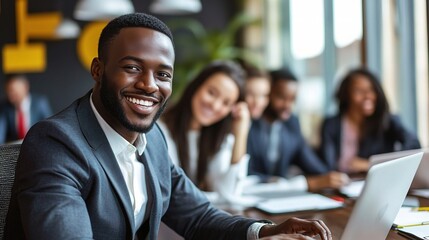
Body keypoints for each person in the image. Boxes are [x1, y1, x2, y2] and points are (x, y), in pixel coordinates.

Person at [4, 13, 332, 240]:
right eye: (132, 67)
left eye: (163, 74)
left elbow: (199, 217)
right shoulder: (56, 143)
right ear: (98, 70)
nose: (149, 85)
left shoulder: (154, 139)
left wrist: (267, 231)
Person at [158, 60, 250, 200]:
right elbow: (171, 193)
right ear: (196, 86)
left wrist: (241, 134)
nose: (215, 105)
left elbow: (229, 194)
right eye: (212, 93)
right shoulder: (160, 129)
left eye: (226, 103)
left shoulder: (219, 138)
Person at [247, 67, 349, 192]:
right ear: (268, 93)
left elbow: (307, 159)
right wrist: (309, 183)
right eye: (281, 98)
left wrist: (330, 177)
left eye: (292, 99)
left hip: (280, 198)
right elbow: (248, 174)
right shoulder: (248, 122)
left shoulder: (292, 123)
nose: (288, 105)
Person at [319, 67, 421, 173]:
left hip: (374, 181)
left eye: (371, 90)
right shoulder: (331, 125)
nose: (368, 96)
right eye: (359, 91)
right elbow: (327, 164)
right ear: (346, 95)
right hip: (340, 184)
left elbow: (414, 144)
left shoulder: (387, 121)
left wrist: (370, 164)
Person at [0, 74, 53, 144]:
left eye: (12, 90)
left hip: (38, 146)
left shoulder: (40, 103)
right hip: (16, 149)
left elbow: (51, 127)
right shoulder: (5, 107)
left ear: (25, 87)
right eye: (8, 91)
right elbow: (1, 132)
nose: (10, 95)